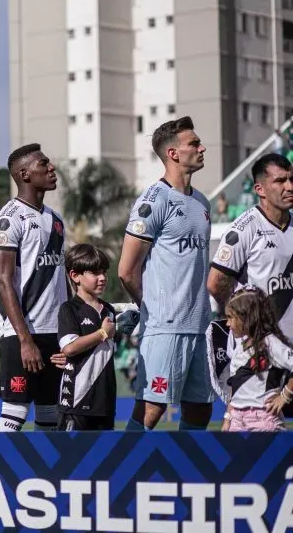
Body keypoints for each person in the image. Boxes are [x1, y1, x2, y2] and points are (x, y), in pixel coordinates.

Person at [118, 116, 214, 431]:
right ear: (173, 153)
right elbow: (126, 271)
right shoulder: (153, 201)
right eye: (194, 144)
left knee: (200, 411)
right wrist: (151, 307)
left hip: (200, 324)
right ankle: (122, 475)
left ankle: (189, 478)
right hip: (165, 326)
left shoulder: (201, 202)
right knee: (152, 409)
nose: (202, 148)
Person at [0, 144, 68, 432]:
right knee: (14, 414)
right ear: (24, 174)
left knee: (50, 413)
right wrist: (25, 340)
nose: (51, 168)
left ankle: (45, 475)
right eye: (43, 164)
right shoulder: (9, 218)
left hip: (55, 332)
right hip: (22, 333)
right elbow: (3, 281)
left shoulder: (56, 220)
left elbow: (60, 280)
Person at [208, 154, 293, 325]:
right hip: (260, 345)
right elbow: (215, 284)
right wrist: (245, 321)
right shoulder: (244, 229)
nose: (290, 186)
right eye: (280, 181)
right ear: (260, 189)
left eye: (291, 179)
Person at [57, 244, 117, 430]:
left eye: (104, 272)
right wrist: (102, 333)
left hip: (105, 402)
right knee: (69, 457)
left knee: (105, 458)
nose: (102, 278)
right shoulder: (69, 309)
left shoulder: (109, 310)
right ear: (75, 276)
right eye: (95, 273)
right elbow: (70, 348)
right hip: (77, 399)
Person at [220, 287, 293, 432]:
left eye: (230, 317)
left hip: (264, 419)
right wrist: (228, 419)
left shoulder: (270, 344)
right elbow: (235, 389)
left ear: (246, 317)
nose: (227, 324)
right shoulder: (240, 346)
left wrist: (285, 396)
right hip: (237, 420)